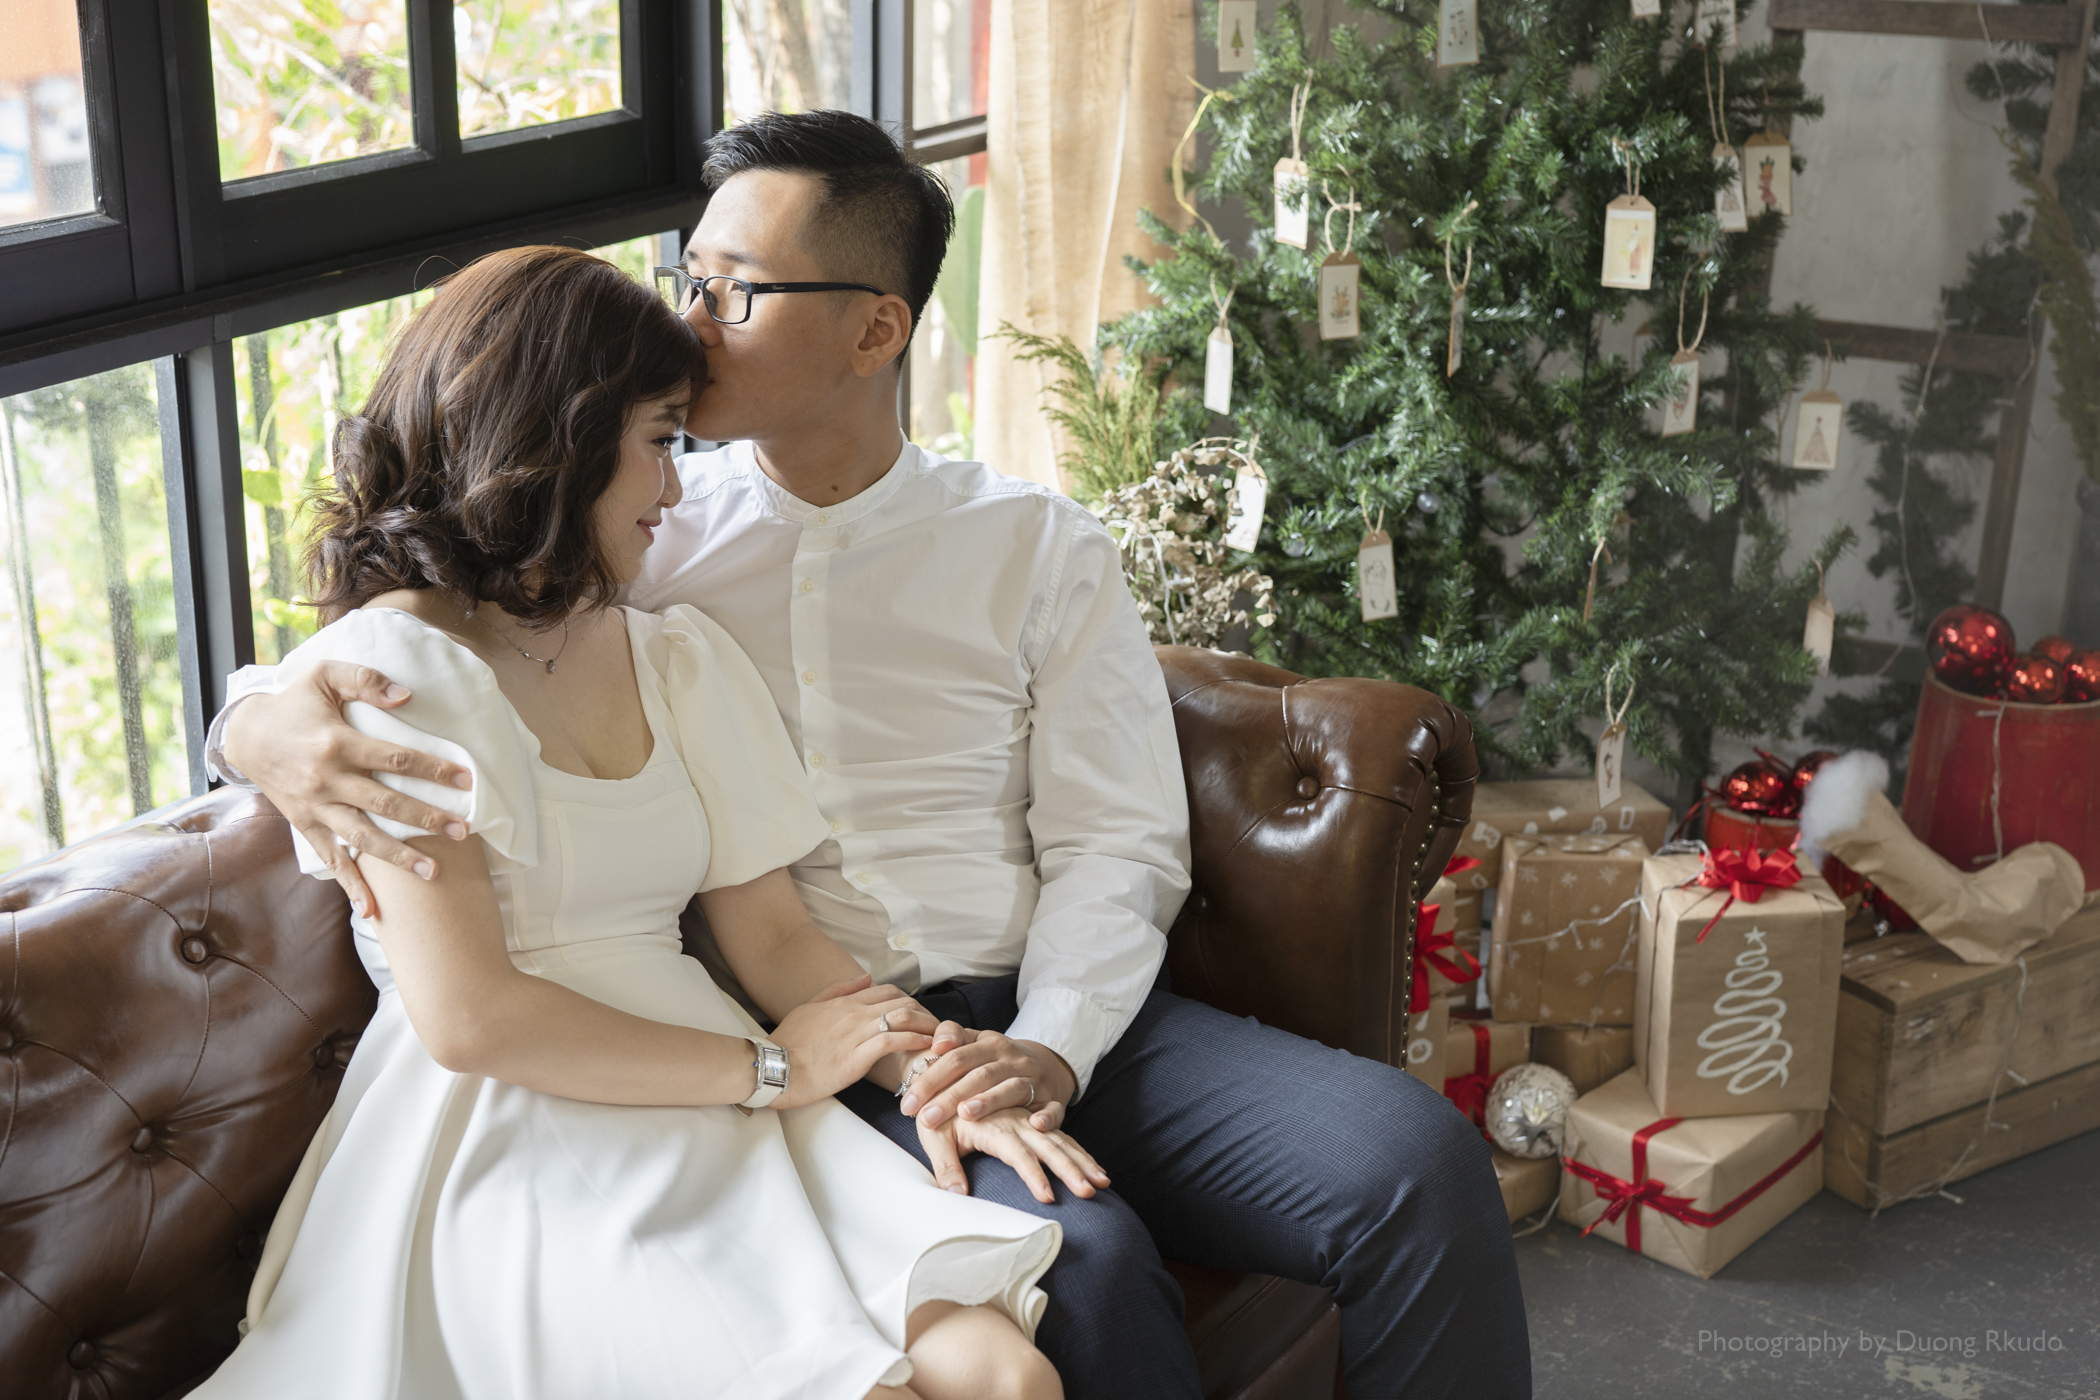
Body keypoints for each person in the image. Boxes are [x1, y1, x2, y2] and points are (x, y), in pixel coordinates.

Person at [214, 112, 1531, 1399]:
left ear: (875, 329)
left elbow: (1115, 843)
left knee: (1415, 1162)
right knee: (1084, 1271)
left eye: (735, 289)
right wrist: (256, 723)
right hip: (821, 1037)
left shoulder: (1032, 544)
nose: (692, 319)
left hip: (1057, 1008)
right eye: (691, 279)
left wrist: (1050, 1047)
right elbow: (437, 622)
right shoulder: (636, 538)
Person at [193, 244, 1069, 1400]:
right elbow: (472, 1017)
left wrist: (938, 1068)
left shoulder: (675, 653)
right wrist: (772, 1067)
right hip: (523, 1123)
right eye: (659, 440)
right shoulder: (393, 675)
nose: (676, 486)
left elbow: (773, 937)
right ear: (557, 439)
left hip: (714, 1095)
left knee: (1006, 1375)